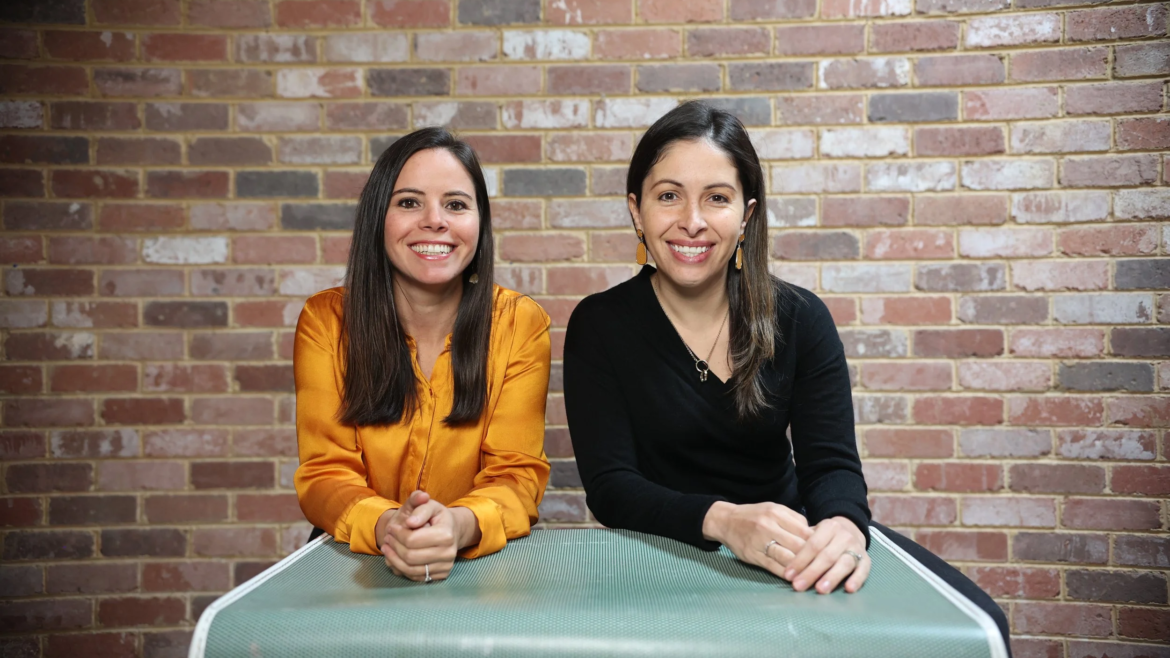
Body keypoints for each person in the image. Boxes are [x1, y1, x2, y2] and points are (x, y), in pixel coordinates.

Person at [563, 102, 1010, 647]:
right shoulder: (599, 324)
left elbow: (832, 468)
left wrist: (844, 526)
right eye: (668, 195)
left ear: (747, 216)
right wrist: (725, 521)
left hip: (785, 559)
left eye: (717, 198)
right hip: (658, 561)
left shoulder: (799, 318)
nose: (692, 220)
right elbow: (612, 490)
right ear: (636, 211)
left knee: (982, 627)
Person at [294, 128, 551, 583]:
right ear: (379, 218)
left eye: (455, 204)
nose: (435, 221)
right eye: (409, 202)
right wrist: (389, 526)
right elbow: (324, 473)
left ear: (479, 223)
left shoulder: (519, 324)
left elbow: (516, 476)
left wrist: (455, 525)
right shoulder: (326, 321)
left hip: (476, 564)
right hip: (355, 563)